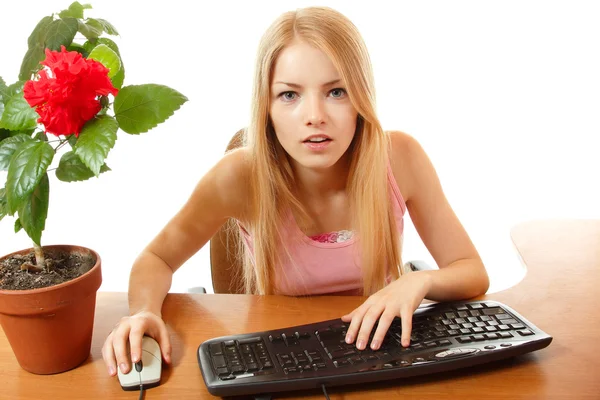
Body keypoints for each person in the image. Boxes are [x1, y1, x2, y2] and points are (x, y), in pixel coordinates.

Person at [102, 6, 489, 377]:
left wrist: (418, 281)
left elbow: (471, 271)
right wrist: (143, 312)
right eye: (290, 95)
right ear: (266, 107)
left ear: (361, 97)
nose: (314, 115)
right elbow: (157, 258)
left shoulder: (400, 158)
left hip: (380, 352)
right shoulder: (239, 176)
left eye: (336, 91)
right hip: (282, 356)